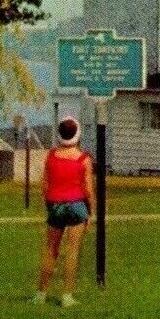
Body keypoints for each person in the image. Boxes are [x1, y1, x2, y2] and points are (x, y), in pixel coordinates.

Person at [34, 116, 93, 307]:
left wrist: (49, 206)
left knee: (51, 249)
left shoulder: (51, 156)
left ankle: (41, 294)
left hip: (55, 205)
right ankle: (67, 296)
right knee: (72, 250)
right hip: (77, 205)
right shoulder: (84, 159)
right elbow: (88, 190)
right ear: (77, 135)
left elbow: (44, 185)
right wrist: (90, 212)